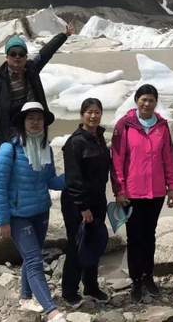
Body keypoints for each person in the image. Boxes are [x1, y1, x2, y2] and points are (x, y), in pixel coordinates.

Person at [0, 101, 66, 322]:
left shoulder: (45, 149)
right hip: (18, 216)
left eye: (39, 119)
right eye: (30, 119)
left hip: (40, 211)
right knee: (34, 260)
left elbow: (50, 181)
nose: (35, 123)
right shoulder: (8, 150)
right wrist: (3, 221)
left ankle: (25, 297)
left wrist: (74, 176)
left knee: (30, 257)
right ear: (22, 123)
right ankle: (52, 311)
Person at [111, 84, 173, 303]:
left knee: (149, 235)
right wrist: (119, 190)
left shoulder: (162, 126)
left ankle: (148, 276)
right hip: (132, 193)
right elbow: (117, 160)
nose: (147, 104)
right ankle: (136, 281)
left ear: (156, 102)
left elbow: (168, 157)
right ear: (136, 101)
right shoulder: (125, 125)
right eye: (143, 100)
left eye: (151, 100)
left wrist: (172, 187)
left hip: (156, 192)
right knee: (134, 237)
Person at [0, 23, 74, 145]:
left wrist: (64, 35)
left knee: (36, 153)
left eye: (21, 53)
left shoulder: (32, 68)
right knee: (11, 154)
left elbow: (47, 52)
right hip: (8, 127)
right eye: (13, 53)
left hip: (33, 124)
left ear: (26, 57)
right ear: (7, 57)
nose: (17, 57)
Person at [61, 98, 111, 307]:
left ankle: (91, 286)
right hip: (77, 202)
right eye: (89, 112)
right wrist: (83, 207)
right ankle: (69, 291)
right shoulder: (75, 142)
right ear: (82, 115)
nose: (93, 116)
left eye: (97, 112)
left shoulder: (99, 137)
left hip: (97, 198)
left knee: (94, 243)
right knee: (77, 245)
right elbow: (73, 178)